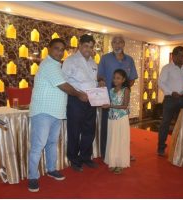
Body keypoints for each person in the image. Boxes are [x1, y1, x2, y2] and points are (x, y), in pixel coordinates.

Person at [28, 38, 88, 192]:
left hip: (55, 113)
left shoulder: (57, 66)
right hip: (43, 112)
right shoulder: (48, 65)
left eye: (62, 50)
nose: (60, 52)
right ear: (48, 48)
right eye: (56, 48)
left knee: (51, 143)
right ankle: (32, 177)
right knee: (38, 146)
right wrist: (79, 94)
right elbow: (64, 87)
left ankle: (51, 169)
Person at [97, 35, 138, 160]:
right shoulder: (105, 58)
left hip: (122, 100)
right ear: (111, 44)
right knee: (107, 128)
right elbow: (100, 76)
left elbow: (132, 79)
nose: (117, 44)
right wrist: (101, 81)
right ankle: (106, 153)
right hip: (107, 100)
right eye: (114, 42)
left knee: (122, 128)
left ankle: (123, 153)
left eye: (120, 42)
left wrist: (123, 90)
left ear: (123, 44)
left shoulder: (129, 60)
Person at [62, 34, 98, 172]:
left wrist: (99, 84)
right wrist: (78, 94)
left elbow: (93, 81)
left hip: (91, 101)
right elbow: (64, 82)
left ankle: (85, 157)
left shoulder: (93, 63)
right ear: (79, 45)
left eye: (91, 46)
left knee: (89, 130)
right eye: (86, 46)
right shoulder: (70, 61)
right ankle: (74, 159)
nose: (88, 49)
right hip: (75, 100)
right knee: (74, 131)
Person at [158, 46, 183, 156]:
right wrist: (171, 92)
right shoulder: (167, 68)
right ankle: (161, 147)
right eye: (181, 55)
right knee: (165, 123)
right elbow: (161, 82)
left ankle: (181, 147)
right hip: (171, 99)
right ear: (174, 56)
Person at [102, 69, 131, 175]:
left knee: (120, 140)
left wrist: (110, 105)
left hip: (121, 118)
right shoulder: (111, 90)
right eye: (114, 77)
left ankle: (120, 163)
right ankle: (112, 161)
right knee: (112, 139)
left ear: (123, 80)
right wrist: (103, 102)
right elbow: (109, 102)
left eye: (118, 78)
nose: (115, 80)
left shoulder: (126, 90)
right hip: (111, 118)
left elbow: (124, 106)